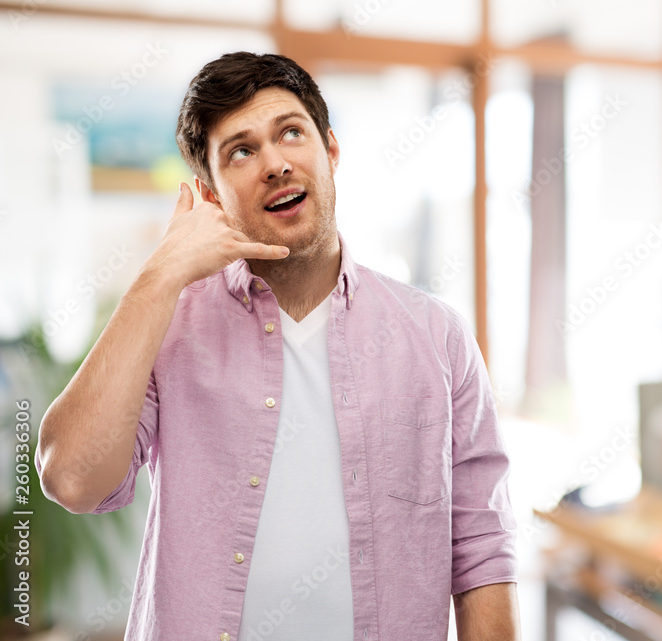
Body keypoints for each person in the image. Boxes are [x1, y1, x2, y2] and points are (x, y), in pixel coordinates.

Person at [35, 51, 520, 640]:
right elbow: (72, 480)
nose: (274, 164)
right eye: (240, 150)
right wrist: (159, 275)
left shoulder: (437, 336)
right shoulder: (168, 326)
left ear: (330, 151)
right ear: (210, 195)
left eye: (290, 133)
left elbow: (482, 545)